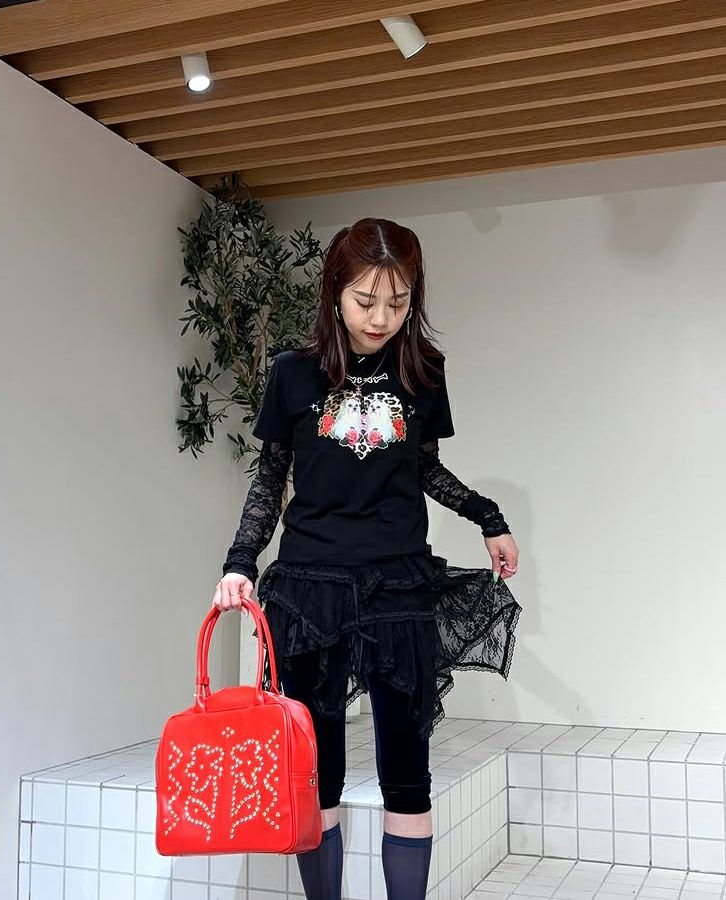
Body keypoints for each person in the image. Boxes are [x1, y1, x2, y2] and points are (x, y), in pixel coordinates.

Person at [213, 217, 522, 900]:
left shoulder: (422, 371)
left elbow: (423, 467)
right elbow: (270, 477)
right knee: (316, 772)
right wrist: (239, 561)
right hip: (310, 590)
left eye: (398, 302)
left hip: (397, 587)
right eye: (365, 300)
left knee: (407, 774)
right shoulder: (292, 373)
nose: (381, 318)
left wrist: (487, 516)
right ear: (335, 291)